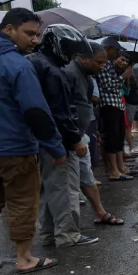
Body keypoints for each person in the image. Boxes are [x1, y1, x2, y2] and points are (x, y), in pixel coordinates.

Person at [0, 8, 64, 273]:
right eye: (29, 33)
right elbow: (36, 111)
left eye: (37, 34)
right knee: (23, 202)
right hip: (15, 149)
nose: (35, 40)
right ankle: (24, 258)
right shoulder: (18, 65)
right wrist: (55, 146)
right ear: (9, 29)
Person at [27, 24, 99, 248]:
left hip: (39, 140)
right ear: (59, 46)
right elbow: (61, 113)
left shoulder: (34, 63)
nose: (71, 56)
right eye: (69, 50)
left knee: (48, 189)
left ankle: (50, 235)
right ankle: (68, 234)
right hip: (57, 140)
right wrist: (75, 140)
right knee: (65, 187)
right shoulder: (54, 72)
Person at [64, 41, 123, 226]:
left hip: (80, 133)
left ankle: (100, 213)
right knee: (69, 183)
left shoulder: (87, 77)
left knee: (86, 174)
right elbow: (64, 109)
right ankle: (66, 232)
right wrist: (74, 137)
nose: (102, 66)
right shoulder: (69, 74)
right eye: (99, 62)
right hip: (70, 136)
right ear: (83, 58)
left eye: (104, 63)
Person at [96, 43, 134, 180]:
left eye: (126, 61)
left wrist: (125, 77)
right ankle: (113, 171)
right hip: (108, 106)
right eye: (122, 59)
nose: (124, 63)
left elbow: (121, 90)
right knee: (111, 140)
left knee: (119, 139)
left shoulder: (115, 70)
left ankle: (121, 167)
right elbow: (108, 86)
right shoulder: (105, 66)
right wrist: (123, 76)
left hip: (117, 106)